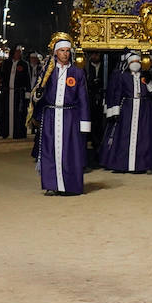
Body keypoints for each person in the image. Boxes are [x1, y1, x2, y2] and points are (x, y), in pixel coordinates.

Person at [32, 36, 91, 196]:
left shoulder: (77, 73)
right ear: (56, 53)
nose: (65, 54)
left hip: (70, 116)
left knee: (69, 151)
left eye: (67, 51)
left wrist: (84, 122)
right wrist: (37, 96)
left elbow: (83, 99)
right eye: (62, 51)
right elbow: (38, 92)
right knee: (50, 149)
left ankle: (70, 185)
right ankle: (51, 184)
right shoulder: (48, 72)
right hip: (51, 115)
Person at [99, 51, 152, 173]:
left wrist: (147, 82)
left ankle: (143, 165)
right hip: (127, 109)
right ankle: (122, 164)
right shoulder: (123, 76)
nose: (135, 64)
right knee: (124, 136)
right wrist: (115, 111)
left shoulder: (146, 76)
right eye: (133, 62)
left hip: (143, 110)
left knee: (144, 137)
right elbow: (117, 93)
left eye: (137, 61)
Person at [0, 46, 31, 140]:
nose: (19, 54)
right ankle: (5, 132)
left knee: (19, 114)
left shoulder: (24, 64)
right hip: (7, 92)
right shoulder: (6, 63)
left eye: (20, 52)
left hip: (18, 93)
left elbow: (27, 79)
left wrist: (28, 92)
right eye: (17, 52)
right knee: (5, 112)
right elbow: (2, 75)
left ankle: (18, 133)